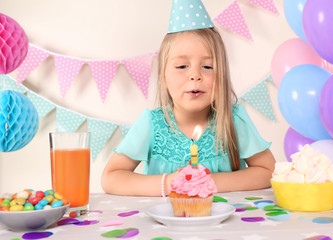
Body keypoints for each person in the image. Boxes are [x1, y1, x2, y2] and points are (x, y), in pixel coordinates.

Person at [101, 0, 275, 196]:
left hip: (223, 223)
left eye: (208, 67)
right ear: (163, 77)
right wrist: (170, 184)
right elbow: (111, 178)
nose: (195, 75)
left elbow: (267, 171)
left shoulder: (233, 121)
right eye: (182, 66)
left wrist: (208, 182)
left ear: (223, 76)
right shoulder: (152, 124)